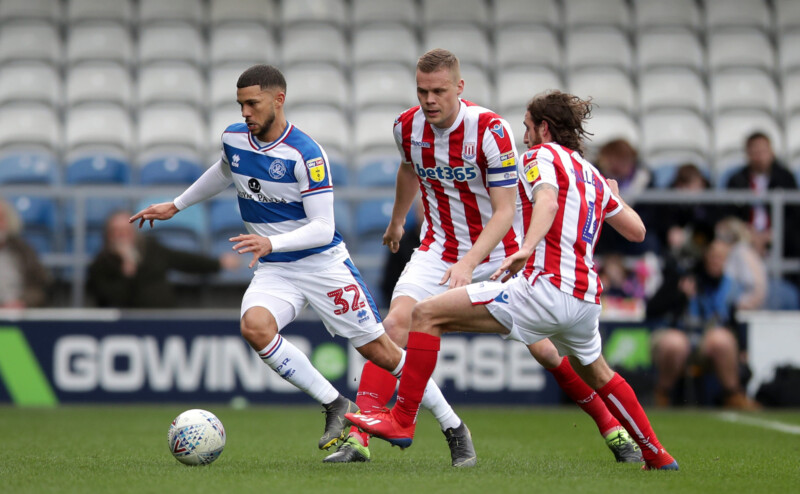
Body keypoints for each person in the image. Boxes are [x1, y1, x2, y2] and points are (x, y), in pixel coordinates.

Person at [329, 51, 642, 468]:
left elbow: (505, 211)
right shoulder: (406, 126)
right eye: (422, 91)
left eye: (439, 91)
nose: (429, 100)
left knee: (547, 353)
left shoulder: (490, 130)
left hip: (498, 253)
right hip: (437, 249)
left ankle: (611, 426)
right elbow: (408, 169)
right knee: (394, 325)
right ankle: (359, 436)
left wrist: (469, 263)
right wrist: (398, 221)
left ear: (459, 87)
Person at [129, 64, 408, 454]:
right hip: (278, 268)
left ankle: (452, 425)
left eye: (253, 103)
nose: (245, 112)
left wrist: (270, 243)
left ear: (279, 100)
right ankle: (335, 403)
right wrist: (177, 204)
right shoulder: (234, 138)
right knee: (255, 327)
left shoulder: (307, 153)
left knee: (381, 352)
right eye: (240, 104)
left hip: (322, 265)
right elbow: (224, 171)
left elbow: (323, 228)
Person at [646, 240, 760, 410]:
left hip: (705, 344)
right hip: (674, 338)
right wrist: (680, 295)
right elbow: (651, 310)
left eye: (720, 258)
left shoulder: (729, 286)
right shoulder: (682, 277)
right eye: (713, 256)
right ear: (705, 257)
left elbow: (732, 320)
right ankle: (662, 394)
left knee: (722, 339)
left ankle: (733, 395)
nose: (716, 261)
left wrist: (743, 349)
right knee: (675, 343)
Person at [87, 210, 240, 308]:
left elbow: (183, 260)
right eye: (117, 232)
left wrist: (218, 263)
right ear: (108, 235)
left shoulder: (151, 249)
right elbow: (110, 300)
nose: (122, 236)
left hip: (164, 320)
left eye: (126, 231)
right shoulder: (100, 265)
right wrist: (128, 268)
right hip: (127, 327)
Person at [725, 132, 800, 258]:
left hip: (781, 237)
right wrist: (747, 232)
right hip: (745, 237)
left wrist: (773, 233)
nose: (759, 156)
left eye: (763, 151)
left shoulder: (785, 178)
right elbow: (729, 213)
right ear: (747, 154)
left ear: (771, 152)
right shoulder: (737, 180)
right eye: (755, 152)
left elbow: (794, 214)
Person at [0, 197, 50, 308]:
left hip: (19, 314)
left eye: (1, 219)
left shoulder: (23, 251)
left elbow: (39, 287)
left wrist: (22, 302)